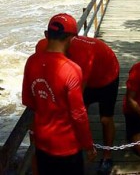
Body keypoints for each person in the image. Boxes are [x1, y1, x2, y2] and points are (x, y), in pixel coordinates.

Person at [22, 13, 97, 175]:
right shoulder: (71, 69)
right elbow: (79, 114)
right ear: (71, 37)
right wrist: (88, 144)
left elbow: (30, 101)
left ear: (47, 35)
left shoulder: (31, 61)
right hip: (67, 147)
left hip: (42, 143)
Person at [36, 35, 120, 175]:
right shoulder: (60, 53)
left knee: (105, 119)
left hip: (107, 77)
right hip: (88, 76)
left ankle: (107, 156)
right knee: (81, 113)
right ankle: (76, 148)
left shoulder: (80, 56)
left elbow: (77, 98)